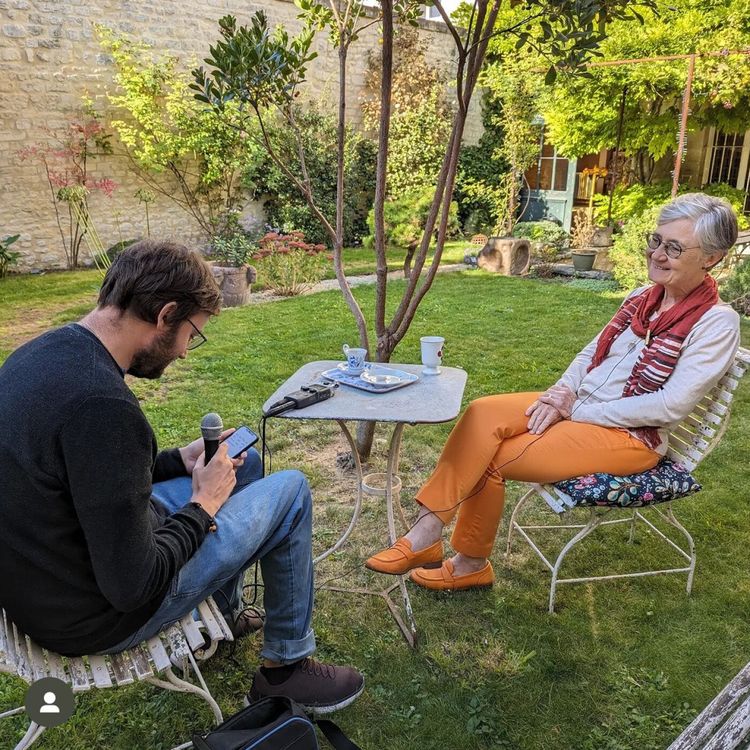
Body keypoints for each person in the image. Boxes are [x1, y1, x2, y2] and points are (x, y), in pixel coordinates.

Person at [0, 240, 363, 713]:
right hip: (98, 613)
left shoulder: (44, 354)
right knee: (290, 490)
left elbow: (87, 474)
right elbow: (134, 584)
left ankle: (226, 619)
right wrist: (203, 506)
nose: (187, 353)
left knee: (242, 463)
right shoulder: (102, 406)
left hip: (53, 578)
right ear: (165, 314)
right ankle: (286, 670)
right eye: (192, 333)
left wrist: (179, 462)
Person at [366, 193, 741, 591]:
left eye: (674, 248)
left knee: (492, 457)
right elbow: (589, 354)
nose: (657, 254)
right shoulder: (640, 299)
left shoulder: (717, 324)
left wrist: (576, 410)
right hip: (580, 406)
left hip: (630, 437)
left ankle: (468, 564)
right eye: (656, 241)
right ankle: (426, 533)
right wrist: (561, 392)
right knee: (482, 412)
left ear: (711, 258)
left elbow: (670, 406)